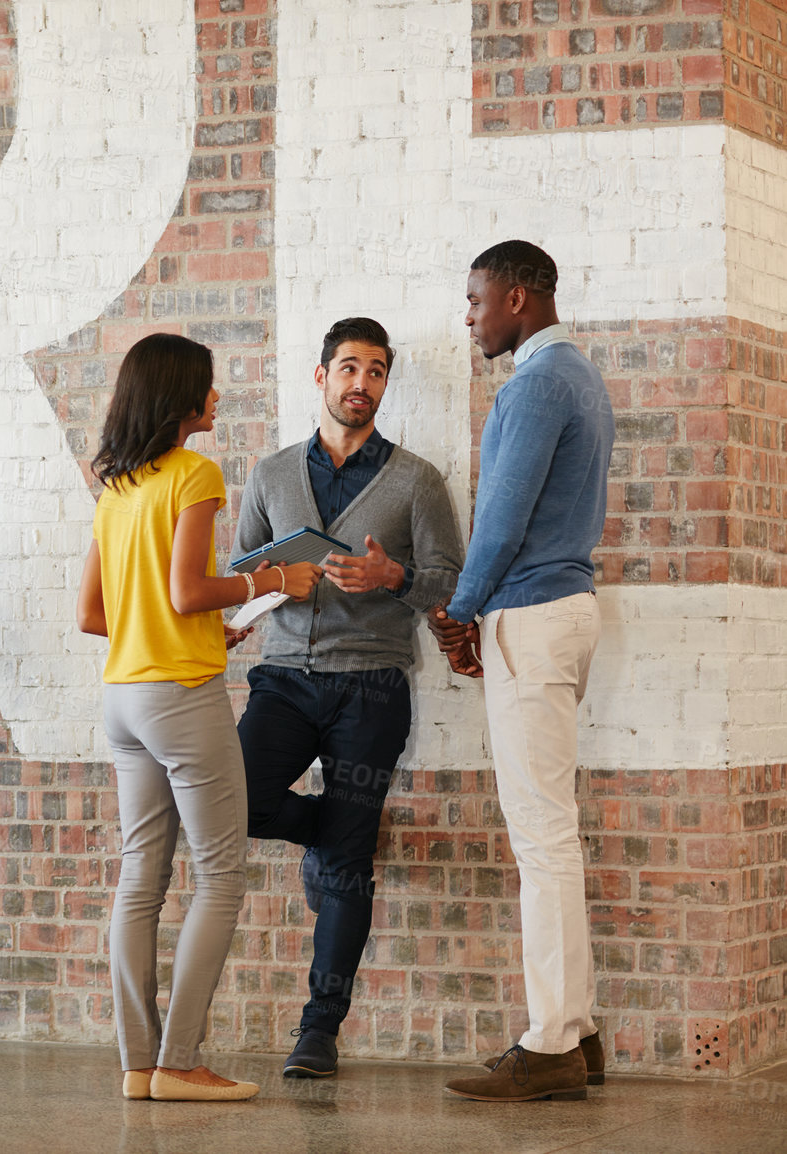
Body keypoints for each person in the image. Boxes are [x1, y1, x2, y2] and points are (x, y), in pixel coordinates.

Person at [75, 332, 320, 1102]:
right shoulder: (196, 473)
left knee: (140, 876)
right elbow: (185, 591)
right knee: (220, 872)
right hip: (180, 695)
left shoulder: (115, 487)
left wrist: (204, 624)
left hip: (124, 698)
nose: (217, 398)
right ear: (182, 397)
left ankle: (137, 1066)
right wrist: (275, 577)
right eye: (209, 388)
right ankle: (180, 1064)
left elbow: (94, 612)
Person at [233, 317, 465, 1079]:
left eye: (375, 372)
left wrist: (392, 578)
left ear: (384, 384)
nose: (360, 383)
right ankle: (333, 834)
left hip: (371, 685)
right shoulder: (270, 475)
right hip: (284, 678)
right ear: (321, 376)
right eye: (348, 368)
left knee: (347, 867)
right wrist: (263, 589)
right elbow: (244, 572)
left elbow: (451, 582)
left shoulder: (417, 480)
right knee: (235, 802)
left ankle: (319, 1032)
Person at [431, 241, 615, 1102]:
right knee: (553, 836)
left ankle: (549, 1045)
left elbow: (502, 517)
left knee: (542, 841)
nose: (468, 318)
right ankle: (576, 1032)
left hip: (533, 618)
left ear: (515, 297)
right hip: (561, 613)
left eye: (475, 301)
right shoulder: (579, 376)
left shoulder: (538, 384)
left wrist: (460, 610)